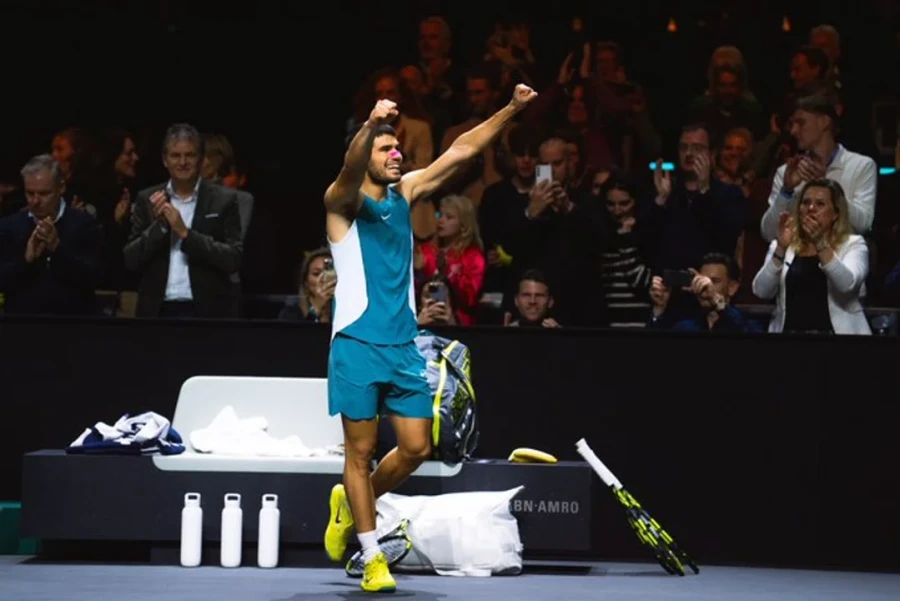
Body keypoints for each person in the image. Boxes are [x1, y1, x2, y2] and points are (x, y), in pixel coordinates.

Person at [322, 84, 536, 592]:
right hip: (355, 343)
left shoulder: (408, 193)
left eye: (397, 147)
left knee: (417, 447)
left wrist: (512, 109)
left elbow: (462, 149)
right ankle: (371, 556)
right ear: (365, 151)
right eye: (384, 148)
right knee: (361, 451)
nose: (395, 154)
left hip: (403, 345)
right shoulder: (340, 204)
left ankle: (349, 503)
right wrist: (370, 123)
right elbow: (350, 169)